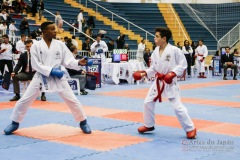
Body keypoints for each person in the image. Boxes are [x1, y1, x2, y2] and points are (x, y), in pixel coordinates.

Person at [3, 22, 92, 135]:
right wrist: (50, 71)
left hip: (58, 77)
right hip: (41, 76)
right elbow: (35, 65)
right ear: (44, 32)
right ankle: (15, 122)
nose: (55, 31)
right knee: (25, 100)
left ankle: (83, 122)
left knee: (72, 100)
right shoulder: (36, 45)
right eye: (52, 29)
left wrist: (79, 62)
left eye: (55, 29)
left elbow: (68, 61)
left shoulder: (60, 45)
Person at [132, 27, 196, 139]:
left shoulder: (175, 50)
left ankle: (190, 128)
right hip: (158, 81)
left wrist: (172, 73)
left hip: (170, 82)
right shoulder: (155, 52)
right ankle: (149, 125)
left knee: (177, 107)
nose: (154, 38)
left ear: (164, 38)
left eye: (157, 36)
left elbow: (183, 65)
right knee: (148, 102)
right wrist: (143, 73)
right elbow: (154, 68)